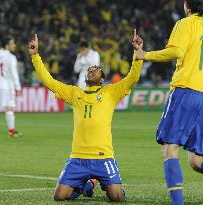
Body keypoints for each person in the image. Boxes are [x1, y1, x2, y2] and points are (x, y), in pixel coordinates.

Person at [28, 33, 143, 202]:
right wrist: (35, 56)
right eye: (89, 69)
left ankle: (98, 183)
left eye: (95, 69)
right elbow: (49, 81)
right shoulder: (75, 93)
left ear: (102, 79)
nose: (91, 70)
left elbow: (132, 78)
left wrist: (138, 55)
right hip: (78, 157)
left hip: (103, 156)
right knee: (59, 196)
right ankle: (85, 186)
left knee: (117, 197)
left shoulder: (110, 92)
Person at [135, 1, 203, 204]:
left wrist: (145, 55)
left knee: (169, 148)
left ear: (186, 5)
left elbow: (176, 52)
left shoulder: (186, 23)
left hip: (186, 91)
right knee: (197, 160)